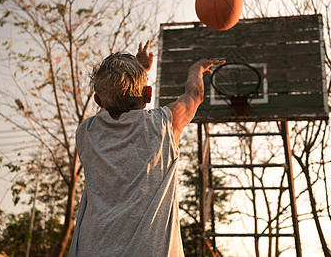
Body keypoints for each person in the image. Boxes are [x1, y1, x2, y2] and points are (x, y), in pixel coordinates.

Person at [67, 40, 225, 257]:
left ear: (97, 100)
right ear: (148, 95)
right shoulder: (163, 125)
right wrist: (195, 69)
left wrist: (137, 71)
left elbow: (119, 110)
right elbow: (195, 95)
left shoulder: (86, 132)